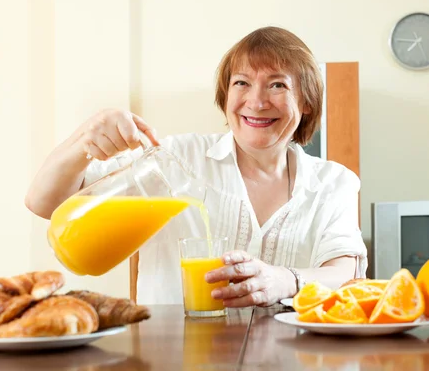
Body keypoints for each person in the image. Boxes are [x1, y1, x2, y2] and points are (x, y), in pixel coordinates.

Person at [25, 26, 367, 307]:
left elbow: (345, 274)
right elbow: (43, 202)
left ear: (305, 101)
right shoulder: (174, 158)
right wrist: (85, 138)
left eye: (277, 85)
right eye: (242, 83)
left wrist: (285, 279)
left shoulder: (333, 181)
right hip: (170, 355)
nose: (257, 101)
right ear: (226, 94)